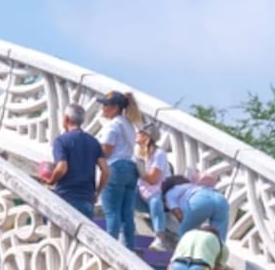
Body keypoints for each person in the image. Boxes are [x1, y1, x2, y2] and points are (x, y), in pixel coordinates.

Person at [44, 105, 108, 218]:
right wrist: (97, 192)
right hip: (87, 199)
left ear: (66, 119)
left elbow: (62, 168)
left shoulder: (61, 141)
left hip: (66, 197)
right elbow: (106, 171)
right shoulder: (93, 142)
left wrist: (51, 181)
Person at [97, 91, 142, 249]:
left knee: (112, 211)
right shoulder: (128, 123)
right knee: (127, 213)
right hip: (130, 167)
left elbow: (107, 151)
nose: (102, 108)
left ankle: (111, 247)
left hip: (115, 167)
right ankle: (128, 247)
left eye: (105, 105)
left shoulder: (113, 125)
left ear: (115, 108)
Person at [136, 122, 174, 250]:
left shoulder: (159, 154)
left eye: (140, 132)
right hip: (142, 192)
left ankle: (160, 238)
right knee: (125, 192)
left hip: (160, 194)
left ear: (147, 136)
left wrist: (139, 170)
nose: (137, 134)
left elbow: (153, 179)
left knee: (155, 200)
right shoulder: (137, 152)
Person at [162, 175, 231, 242]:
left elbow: (178, 214)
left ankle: (183, 252)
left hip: (200, 199)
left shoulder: (169, 193)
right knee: (218, 237)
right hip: (219, 197)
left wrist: (186, 224)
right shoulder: (191, 185)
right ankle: (219, 251)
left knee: (184, 233)